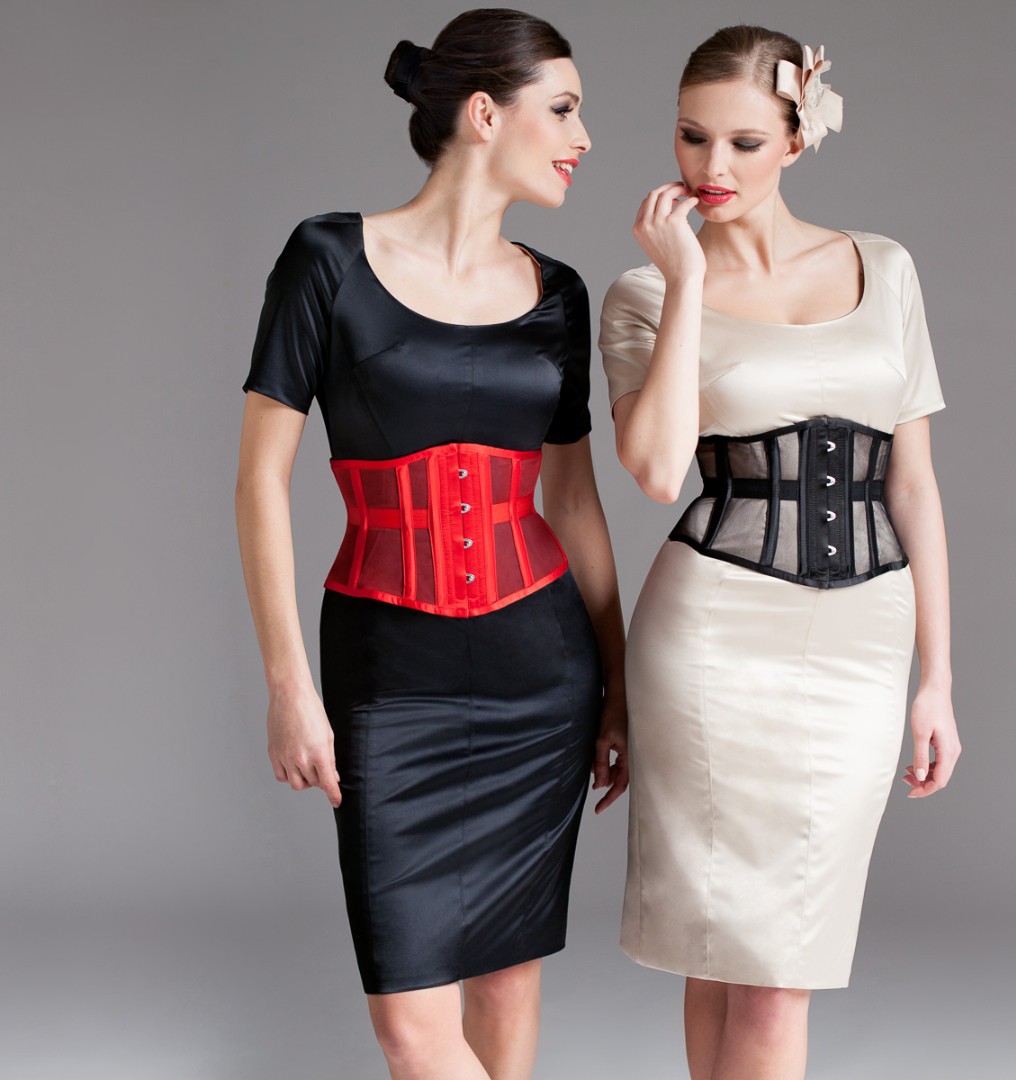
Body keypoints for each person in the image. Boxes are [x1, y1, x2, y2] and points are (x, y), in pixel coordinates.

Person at [235, 10, 627, 1079]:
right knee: (412, 1025)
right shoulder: (326, 258)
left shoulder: (558, 294)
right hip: (387, 672)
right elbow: (261, 482)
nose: (584, 136)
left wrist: (620, 686)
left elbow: (574, 503)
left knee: (506, 985)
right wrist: (288, 685)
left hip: (541, 676)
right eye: (564, 110)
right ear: (484, 113)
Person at [599, 25, 960, 1080]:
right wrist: (683, 282)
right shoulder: (644, 292)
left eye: (745, 143)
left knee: (776, 963)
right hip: (712, 640)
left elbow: (913, 485)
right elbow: (655, 471)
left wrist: (937, 680)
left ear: (798, 141)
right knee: (725, 954)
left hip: (861, 645)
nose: (712, 166)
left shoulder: (884, 267)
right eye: (692, 136)